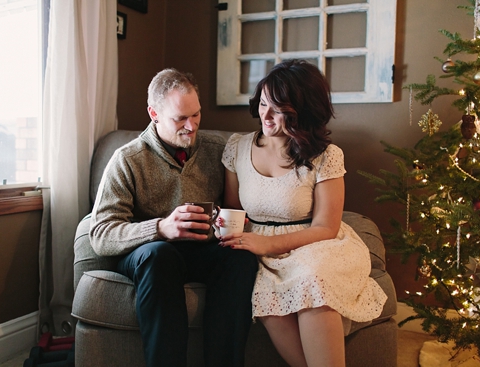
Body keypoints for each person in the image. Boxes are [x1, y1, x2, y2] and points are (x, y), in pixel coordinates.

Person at [217, 59, 388, 366]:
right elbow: (234, 212)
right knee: (267, 300)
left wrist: (267, 244)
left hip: (312, 243)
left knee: (312, 282)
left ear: (302, 113)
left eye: (279, 109)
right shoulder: (237, 148)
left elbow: (325, 227)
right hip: (257, 249)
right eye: (264, 103)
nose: (266, 115)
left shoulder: (326, 155)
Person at [89, 68, 259, 366]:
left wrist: (228, 222)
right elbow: (101, 234)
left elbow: (237, 206)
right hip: (151, 255)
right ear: (154, 113)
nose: (191, 126)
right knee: (160, 255)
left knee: (240, 259)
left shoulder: (217, 151)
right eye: (180, 118)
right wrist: (160, 228)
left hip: (202, 250)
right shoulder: (127, 160)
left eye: (196, 115)